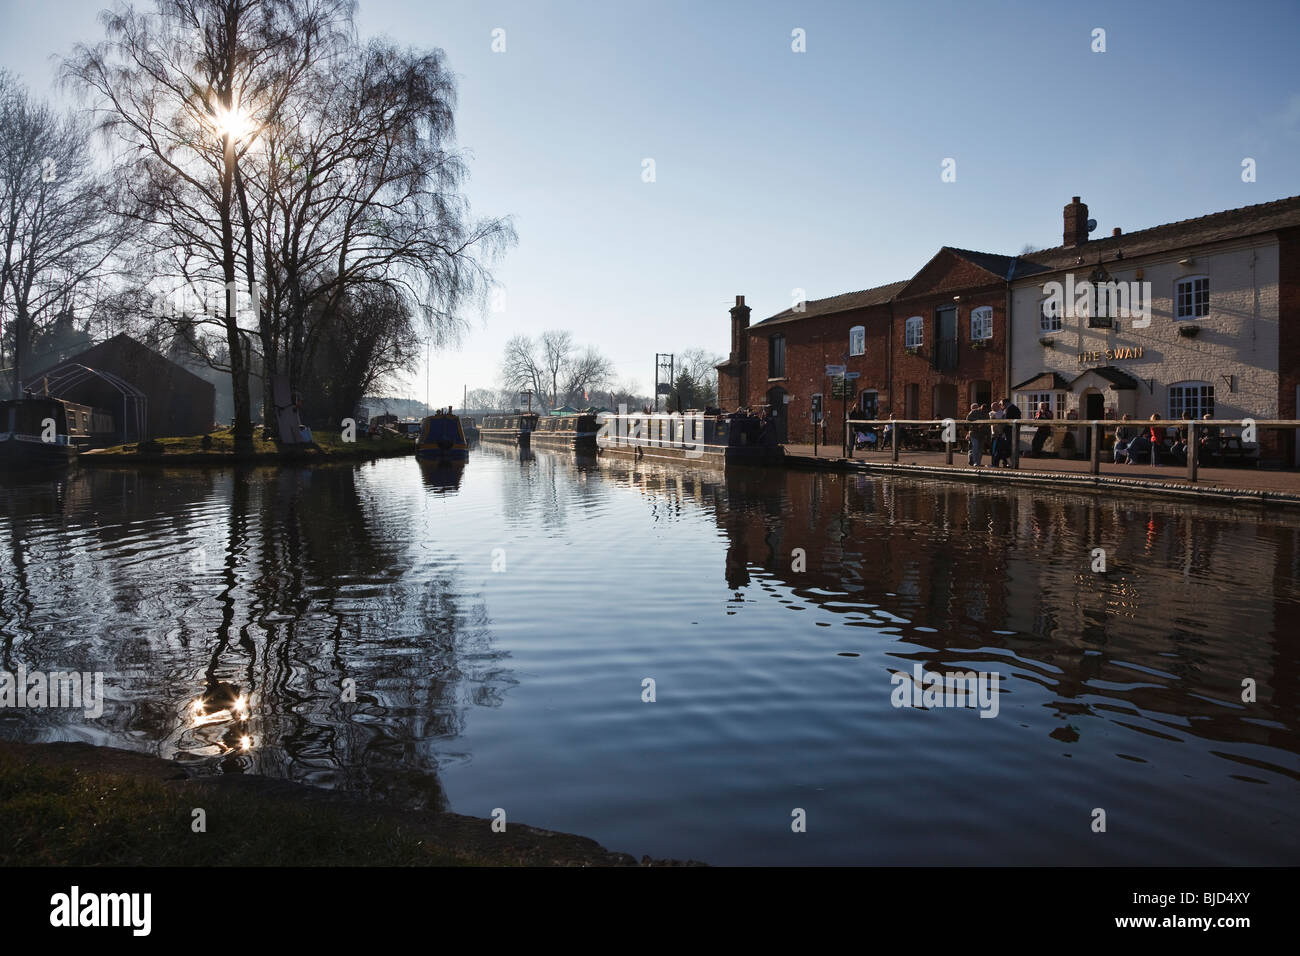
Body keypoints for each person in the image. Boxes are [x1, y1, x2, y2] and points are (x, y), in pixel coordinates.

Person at [967, 402, 989, 467]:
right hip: (974, 432)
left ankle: (978, 462)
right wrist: (977, 422)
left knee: (980, 448)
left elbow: (988, 425)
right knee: (975, 447)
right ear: (980, 408)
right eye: (982, 410)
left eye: (985, 410)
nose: (983, 411)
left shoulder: (986, 414)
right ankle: (975, 462)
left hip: (982, 433)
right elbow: (968, 419)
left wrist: (988, 435)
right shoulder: (974, 412)